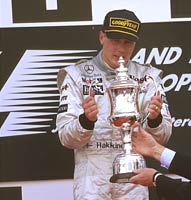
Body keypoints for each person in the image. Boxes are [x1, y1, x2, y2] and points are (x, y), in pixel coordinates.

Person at [55, 9, 172, 200]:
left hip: (134, 175)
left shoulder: (148, 77)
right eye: (115, 41)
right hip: (92, 177)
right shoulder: (76, 76)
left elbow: (164, 136)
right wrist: (86, 121)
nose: (121, 49)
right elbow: (66, 138)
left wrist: (155, 119)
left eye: (128, 43)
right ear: (102, 37)